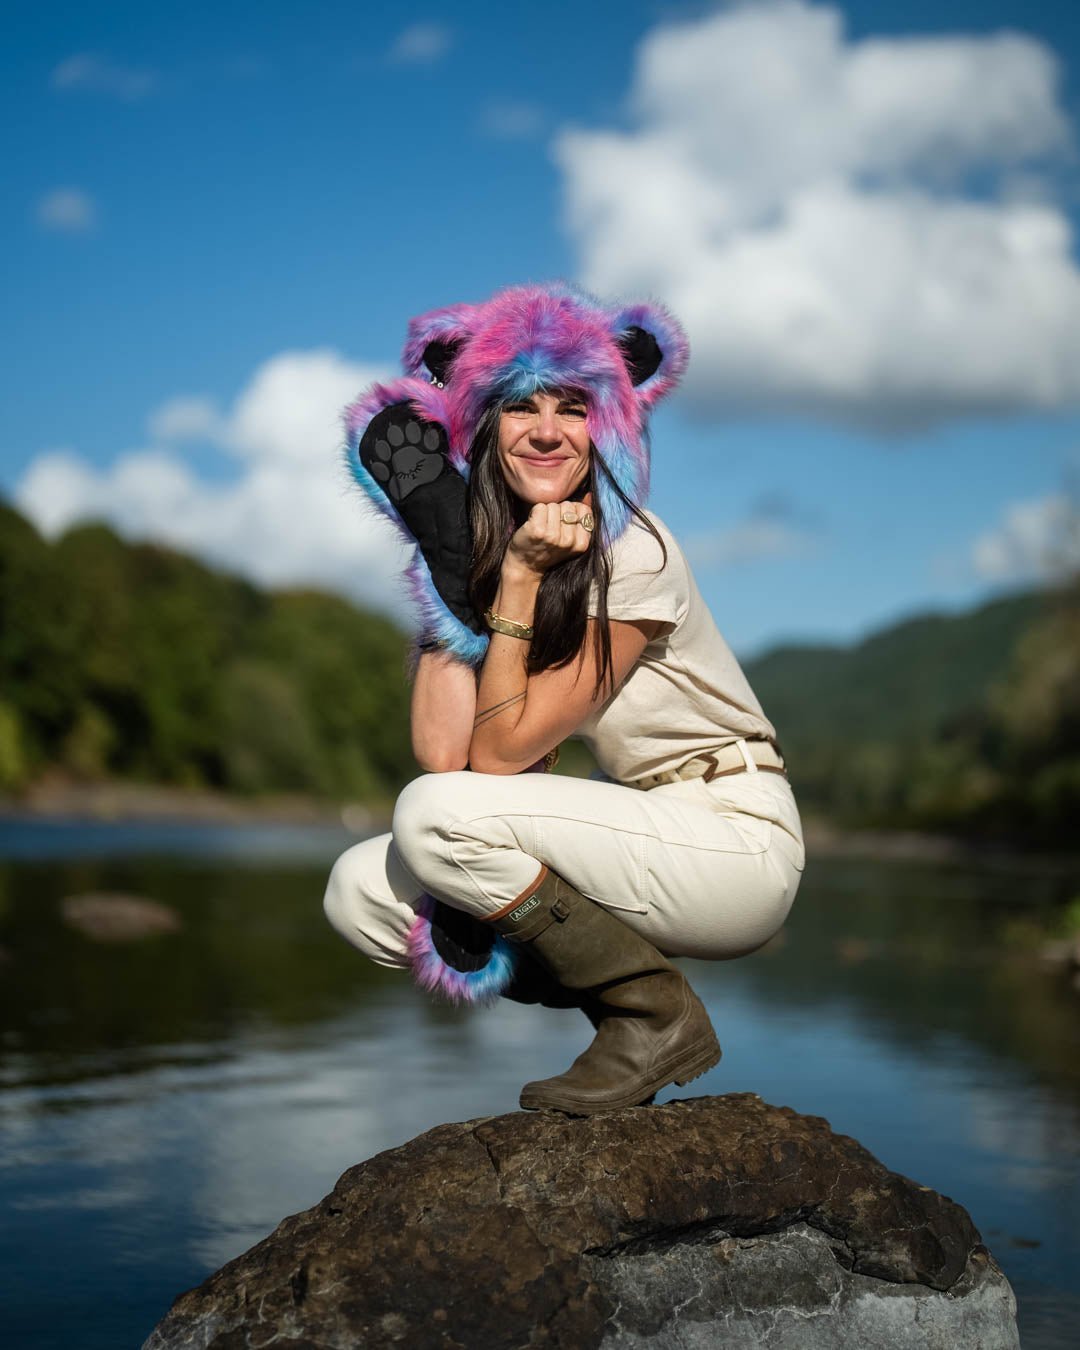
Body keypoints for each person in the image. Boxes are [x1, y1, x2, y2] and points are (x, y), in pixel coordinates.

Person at [323, 282, 804, 1115]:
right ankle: (631, 1007)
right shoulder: (514, 555)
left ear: (608, 423)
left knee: (435, 817)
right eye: (518, 406)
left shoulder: (637, 549)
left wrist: (510, 581)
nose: (546, 429)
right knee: (361, 888)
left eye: (573, 406)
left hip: (731, 836)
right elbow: (448, 759)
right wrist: (449, 574)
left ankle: (652, 1015)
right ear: (482, 427)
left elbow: (502, 756)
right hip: (639, 831)